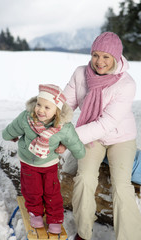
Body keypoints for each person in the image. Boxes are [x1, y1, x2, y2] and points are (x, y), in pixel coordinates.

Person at [62, 32, 141, 240]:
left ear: (116, 57)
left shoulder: (126, 84)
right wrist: (52, 128)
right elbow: (66, 107)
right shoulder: (81, 74)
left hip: (120, 138)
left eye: (106, 56)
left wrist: (69, 138)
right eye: (96, 55)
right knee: (84, 179)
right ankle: (83, 233)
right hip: (91, 136)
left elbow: (106, 124)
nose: (99, 61)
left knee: (122, 185)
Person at [2, 84, 85, 234]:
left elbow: (75, 142)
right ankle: (36, 214)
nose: (40, 110)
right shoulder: (26, 118)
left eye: (47, 107)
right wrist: (8, 136)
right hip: (28, 162)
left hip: (49, 164)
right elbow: (12, 129)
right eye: (39, 104)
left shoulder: (64, 127)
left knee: (51, 191)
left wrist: (77, 153)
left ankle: (55, 219)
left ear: (57, 111)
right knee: (32, 190)